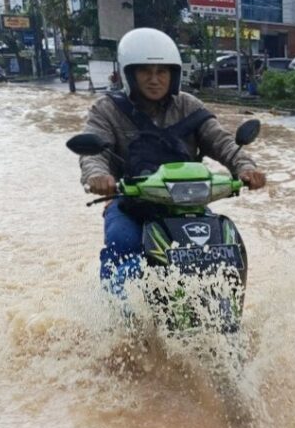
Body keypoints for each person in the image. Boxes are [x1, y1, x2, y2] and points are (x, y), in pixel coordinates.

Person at [77, 27, 267, 292]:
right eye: (146, 71)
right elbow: (94, 152)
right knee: (122, 243)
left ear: (173, 74)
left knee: (223, 246)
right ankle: (116, 316)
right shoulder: (107, 110)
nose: (155, 79)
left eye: (162, 72)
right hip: (132, 204)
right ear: (129, 73)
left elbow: (222, 141)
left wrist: (246, 168)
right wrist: (99, 177)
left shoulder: (189, 106)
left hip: (187, 202)